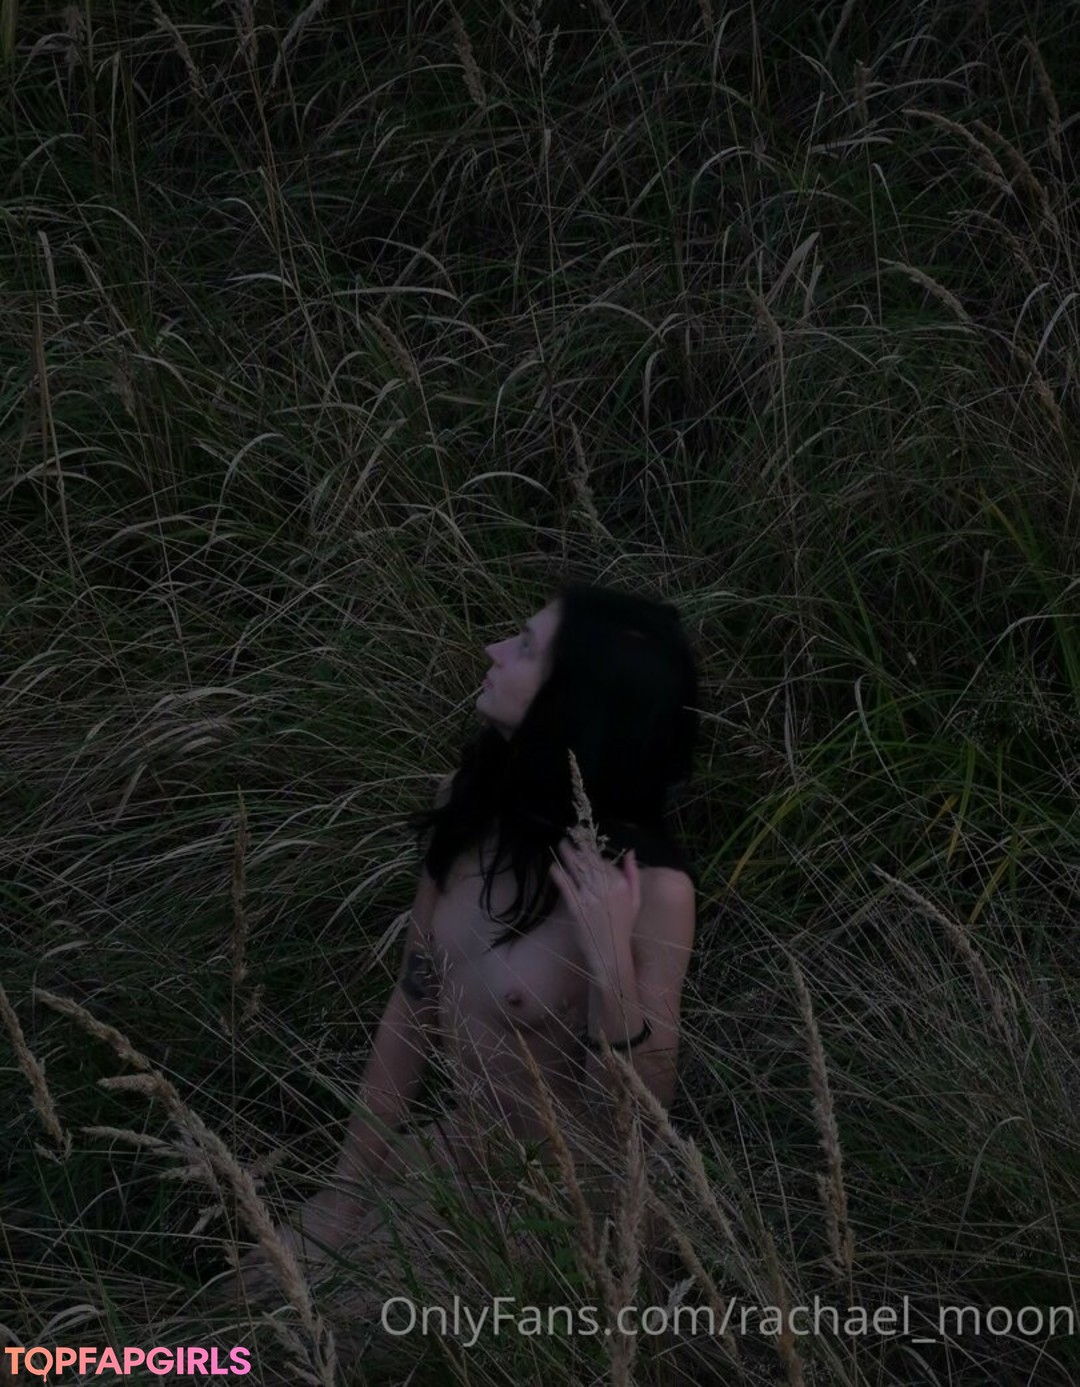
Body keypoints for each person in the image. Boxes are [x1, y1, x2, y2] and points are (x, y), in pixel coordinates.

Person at [229, 580, 700, 1326]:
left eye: (524, 647)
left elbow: (634, 1128)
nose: (492, 649)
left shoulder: (653, 891)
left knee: (296, 1344)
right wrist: (341, 1196)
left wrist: (610, 959)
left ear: (571, 700)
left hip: (565, 1215)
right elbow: (413, 1002)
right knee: (240, 1304)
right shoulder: (472, 803)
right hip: (454, 1155)